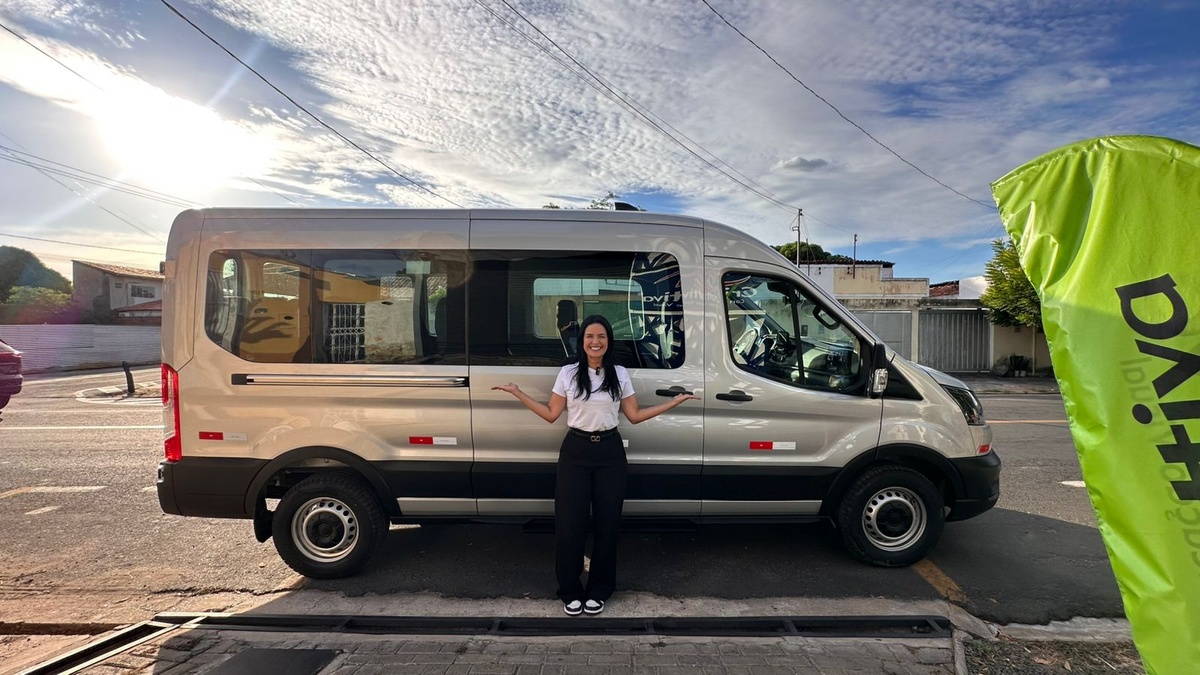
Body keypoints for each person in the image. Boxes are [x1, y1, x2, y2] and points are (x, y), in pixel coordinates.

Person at [493, 315, 699, 616]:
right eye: (590, 336)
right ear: (582, 341)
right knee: (570, 524)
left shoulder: (619, 374)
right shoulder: (568, 373)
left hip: (610, 454)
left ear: (608, 341)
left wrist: (673, 402)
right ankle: (570, 589)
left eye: (601, 336)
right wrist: (518, 393)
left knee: (607, 524)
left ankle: (600, 589)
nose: (595, 342)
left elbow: (635, 415)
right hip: (575, 452)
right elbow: (552, 413)